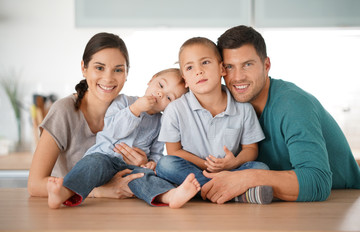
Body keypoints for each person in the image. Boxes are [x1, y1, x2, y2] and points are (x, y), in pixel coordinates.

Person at [201, 25, 360, 203]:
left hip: (344, 202)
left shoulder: (292, 104)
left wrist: (247, 178)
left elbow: (317, 182)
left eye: (247, 65)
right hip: (278, 205)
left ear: (266, 65)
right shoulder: (229, 105)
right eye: (230, 67)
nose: (238, 77)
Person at [47, 67, 201, 209]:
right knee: (91, 164)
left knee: (143, 177)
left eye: (168, 98)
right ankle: (64, 193)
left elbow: (156, 152)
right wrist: (135, 109)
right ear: (151, 79)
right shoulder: (124, 101)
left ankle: (169, 196)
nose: (160, 94)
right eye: (160, 85)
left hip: (132, 168)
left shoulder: (161, 122)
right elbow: (113, 131)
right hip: (105, 157)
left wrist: (151, 163)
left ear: (172, 108)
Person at [28, 32, 148, 200]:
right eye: (99, 68)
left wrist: (142, 165)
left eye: (118, 70)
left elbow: (121, 181)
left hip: (118, 213)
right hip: (72, 211)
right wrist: (97, 191)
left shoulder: (134, 112)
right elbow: (35, 184)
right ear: (84, 68)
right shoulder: (64, 111)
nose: (108, 78)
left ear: (127, 73)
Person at [156, 37, 273, 204]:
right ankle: (233, 193)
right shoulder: (175, 110)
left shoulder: (243, 109)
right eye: (190, 67)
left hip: (231, 171)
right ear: (185, 80)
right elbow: (174, 151)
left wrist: (233, 163)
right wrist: (206, 164)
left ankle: (206, 191)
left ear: (221, 68)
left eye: (205, 63)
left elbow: (251, 148)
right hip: (195, 170)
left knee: (262, 168)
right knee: (165, 165)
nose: (198, 71)